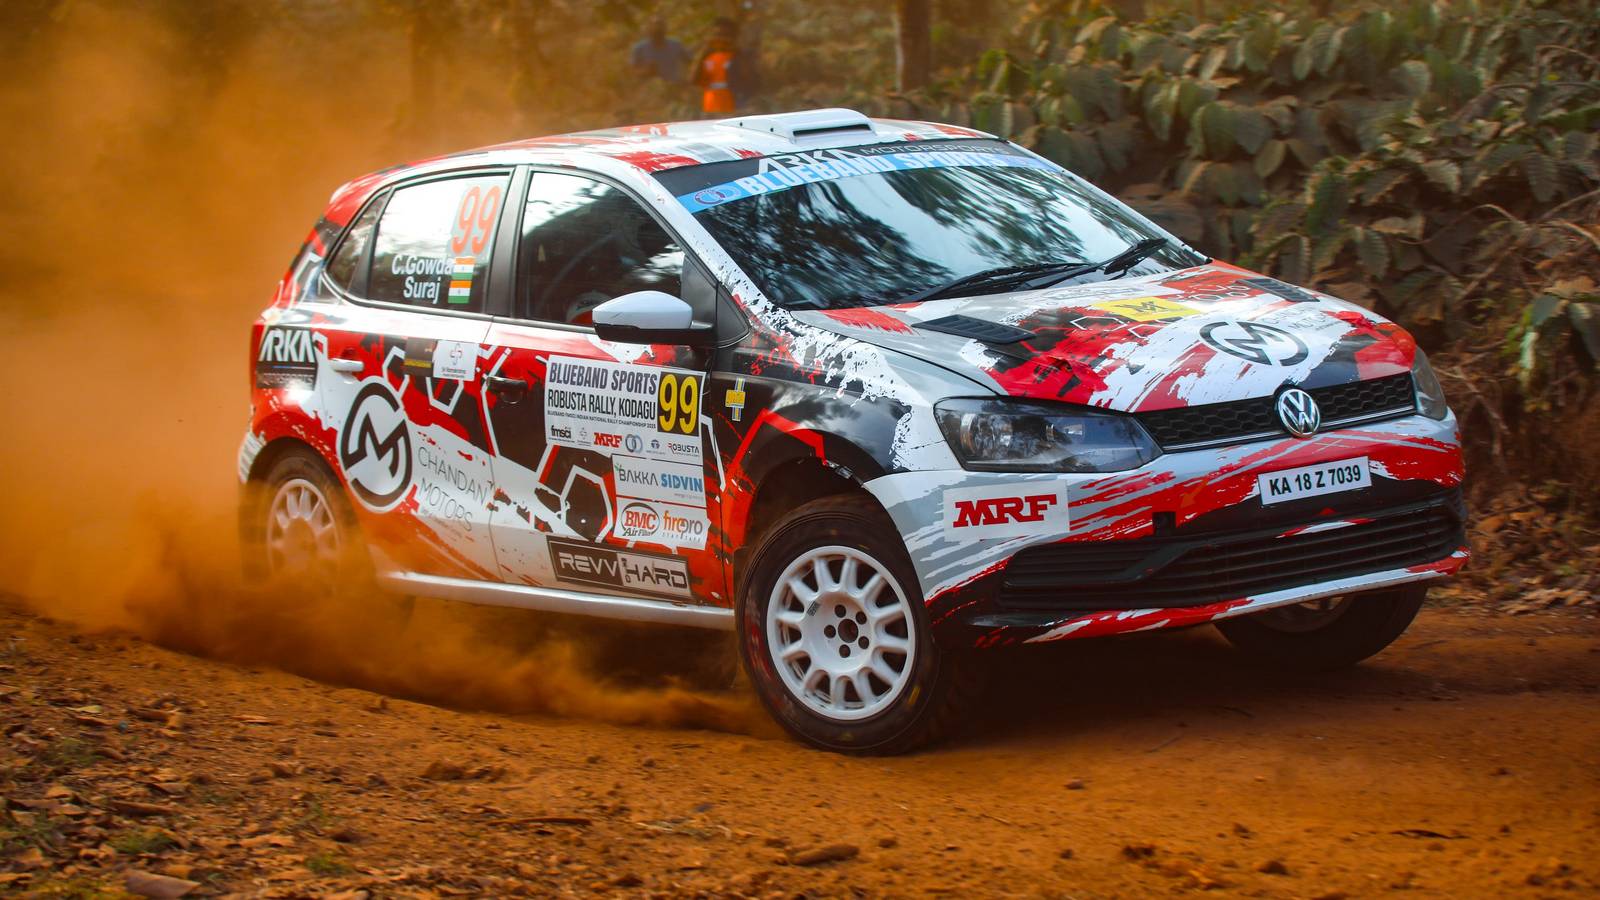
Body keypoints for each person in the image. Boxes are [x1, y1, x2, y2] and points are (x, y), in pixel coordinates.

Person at [690, 17, 739, 116]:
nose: (721, 39)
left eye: (725, 35)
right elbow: (694, 80)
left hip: (733, 111)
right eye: (717, 34)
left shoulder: (738, 57)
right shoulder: (707, 57)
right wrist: (702, 54)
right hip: (710, 109)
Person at [629, 17, 689, 84]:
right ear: (649, 30)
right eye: (655, 30)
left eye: (660, 29)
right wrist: (646, 72)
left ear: (665, 29)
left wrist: (684, 78)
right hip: (651, 87)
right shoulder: (639, 48)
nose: (658, 32)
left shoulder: (675, 44)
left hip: (674, 84)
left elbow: (689, 61)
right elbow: (633, 72)